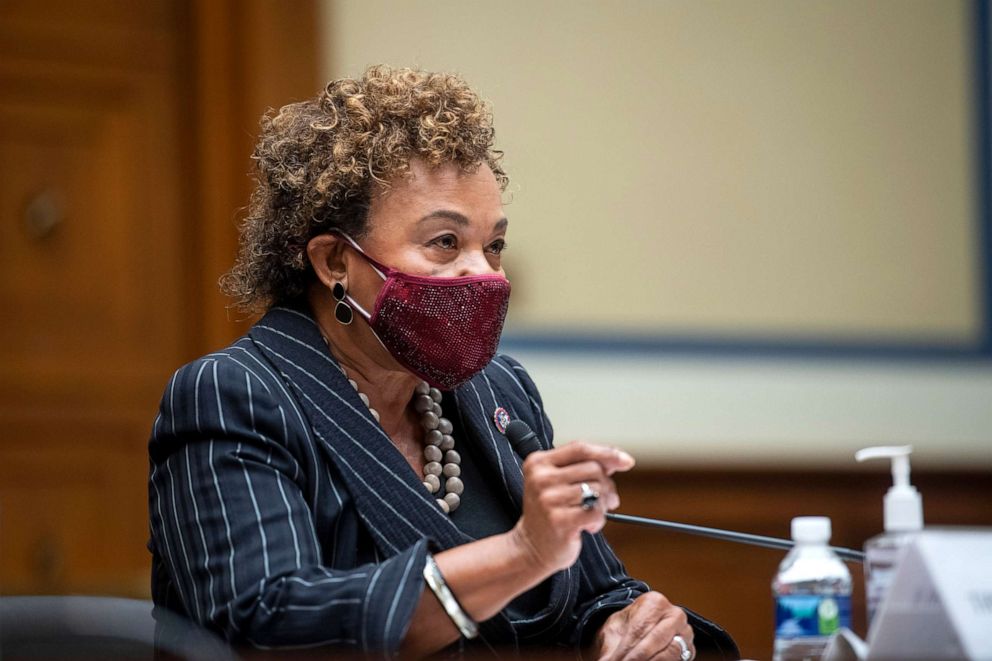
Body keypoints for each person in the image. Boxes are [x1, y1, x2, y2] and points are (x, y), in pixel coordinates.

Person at [148, 65, 738, 660]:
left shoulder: (498, 391)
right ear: (333, 263)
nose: (483, 272)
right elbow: (268, 622)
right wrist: (521, 554)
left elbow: (595, 591)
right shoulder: (233, 394)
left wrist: (633, 625)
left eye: (495, 246)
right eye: (445, 243)